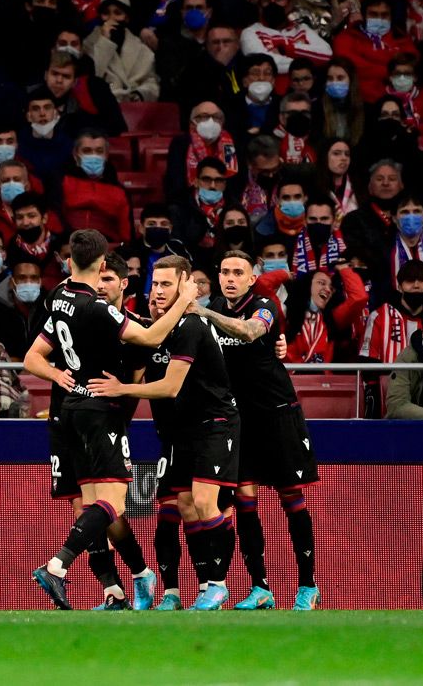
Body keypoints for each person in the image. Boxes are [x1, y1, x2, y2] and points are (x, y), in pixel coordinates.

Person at [24, 229, 196, 610]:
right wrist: (184, 299)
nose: (103, 282)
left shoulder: (60, 298)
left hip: (79, 412)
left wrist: (60, 377)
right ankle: (61, 566)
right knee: (111, 502)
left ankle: (124, 583)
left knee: (94, 504)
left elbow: (35, 356)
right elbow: (151, 339)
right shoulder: (98, 310)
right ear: (101, 266)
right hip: (90, 412)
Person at [84, 254, 239, 611]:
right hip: (176, 432)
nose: (157, 291)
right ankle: (172, 593)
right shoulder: (157, 332)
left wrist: (120, 389)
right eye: (154, 284)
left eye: (167, 284)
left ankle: (216, 585)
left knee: (202, 502)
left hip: (214, 425)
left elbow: (169, 387)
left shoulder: (191, 327)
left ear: (186, 286)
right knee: (174, 509)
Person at [193, 249, 322, 610]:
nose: (230, 278)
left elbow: (251, 332)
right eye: (225, 271)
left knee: (290, 499)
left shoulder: (264, 305)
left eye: (238, 272)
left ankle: (308, 586)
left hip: (277, 413)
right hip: (239, 419)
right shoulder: (216, 305)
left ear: (252, 278)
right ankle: (260, 587)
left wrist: (203, 311)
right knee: (245, 501)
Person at [240, 0, 332, 84]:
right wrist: (307, 66)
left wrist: (286, 48)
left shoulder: (302, 29)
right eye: (267, 0)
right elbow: (267, 65)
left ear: (289, 5)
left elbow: (326, 55)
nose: (272, 3)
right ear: (260, 6)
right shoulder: (250, 32)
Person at [82, 0, 160, 102]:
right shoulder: (88, 45)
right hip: (103, 106)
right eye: (106, 13)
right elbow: (93, 77)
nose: (111, 18)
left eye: (117, 13)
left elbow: (151, 82)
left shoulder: (142, 48)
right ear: (100, 16)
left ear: (126, 18)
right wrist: (104, 41)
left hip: (135, 109)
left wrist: (139, 94)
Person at [0, 259, 46, 360]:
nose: (28, 282)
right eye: (22, 278)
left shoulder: (51, 306)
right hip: (9, 369)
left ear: (40, 282)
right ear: (12, 281)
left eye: (34, 278)